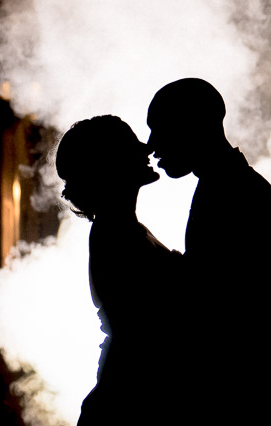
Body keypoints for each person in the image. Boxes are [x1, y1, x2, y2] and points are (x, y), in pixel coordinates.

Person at [147, 78, 271, 422]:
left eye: (160, 129)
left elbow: (218, 307)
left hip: (254, 398)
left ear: (194, 126)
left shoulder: (232, 195)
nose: (151, 145)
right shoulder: (227, 187)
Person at [56, 115, 182, 425]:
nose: (146, 149)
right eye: (131, 145)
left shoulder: (121, 228)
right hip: (135, 395)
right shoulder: (116, 233)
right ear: (111, 166)